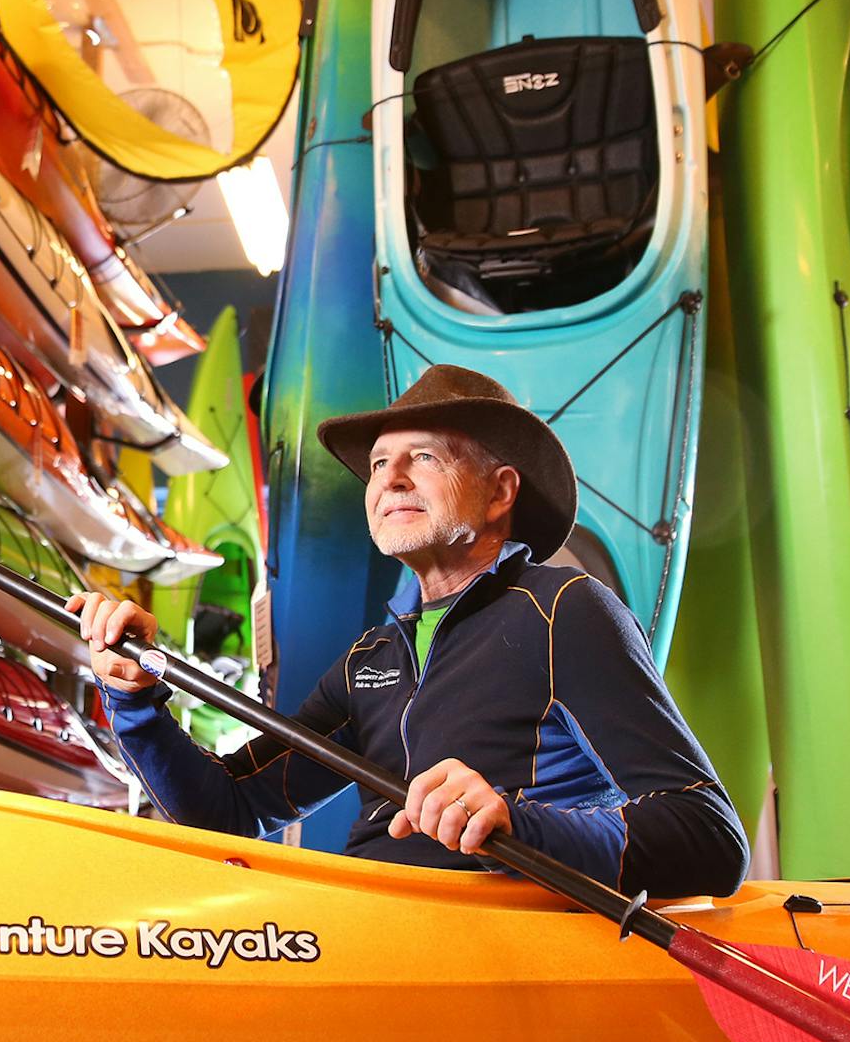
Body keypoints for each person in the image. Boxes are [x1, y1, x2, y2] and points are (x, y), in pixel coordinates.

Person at [69, 365, 750, 898]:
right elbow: (229, 812)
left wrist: (515, 821)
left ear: (499, 492)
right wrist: (132, 700)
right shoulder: (373, 658)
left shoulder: (565, 612)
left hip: (504, 956)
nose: (389, 477)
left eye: (424, 457)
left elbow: (710, 836)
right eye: (377, 465)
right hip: (373, 936)